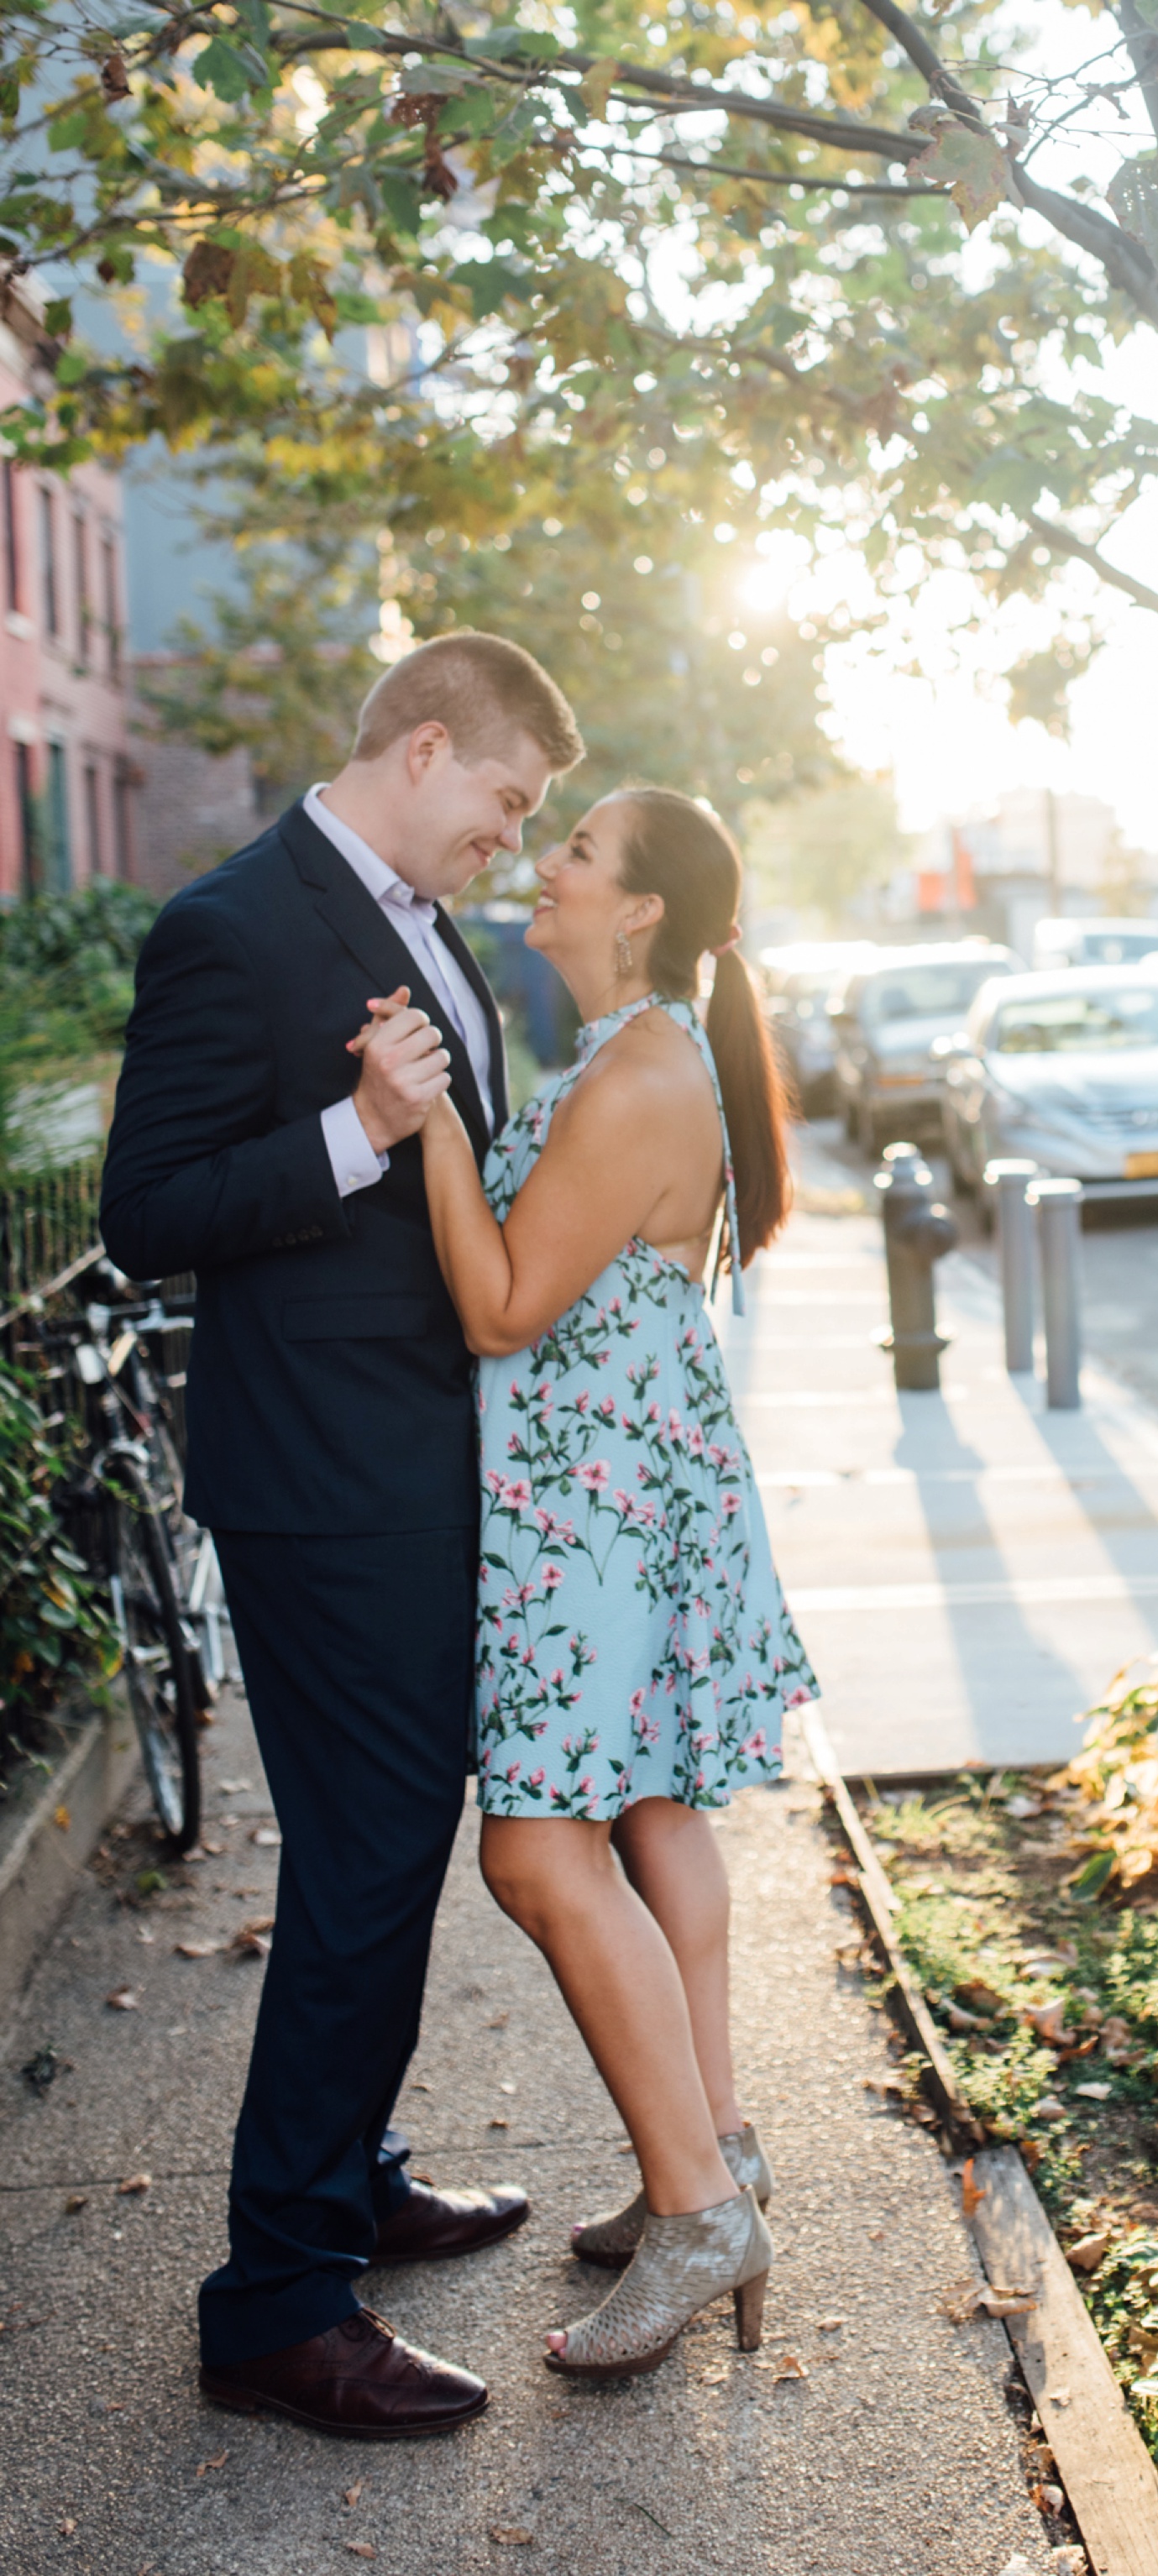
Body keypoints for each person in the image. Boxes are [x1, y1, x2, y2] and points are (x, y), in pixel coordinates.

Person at [99, 631, 586, 2438]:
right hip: (320, 1478)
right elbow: (145, 1210)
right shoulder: (235, 921)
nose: (512, 843)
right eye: (506, 803)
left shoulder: (419, 921)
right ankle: (280, 2301)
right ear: (429, 744)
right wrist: (352, 1131)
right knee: (376, 1856)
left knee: (375, 1849)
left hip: (416, 1463)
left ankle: (353, 2173)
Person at [349, 785, 816, 2380]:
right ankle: (719, 2154)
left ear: (639, 912)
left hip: (598, 1512)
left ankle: (700, 2213)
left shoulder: (634, 1075)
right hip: (625, 1489)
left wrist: (432, 1139)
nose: (542, 865)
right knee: (655, 1814)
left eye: (578, 850)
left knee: (538, 1859)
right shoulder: (648, 1053)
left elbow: (499, 1307)